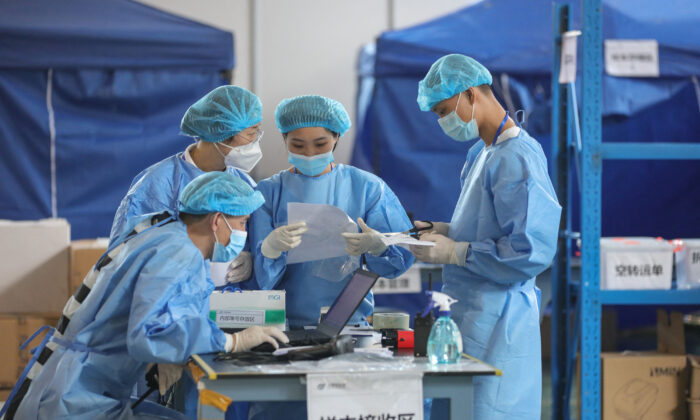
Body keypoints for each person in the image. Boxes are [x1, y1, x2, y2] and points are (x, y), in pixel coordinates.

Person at [1, 172, 288, 420]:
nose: (243, 232)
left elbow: (163, 307)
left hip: (82, 385)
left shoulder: (166, 233)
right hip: (75, 398)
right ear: (217, 221)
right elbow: (149, 332)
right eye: (242, 223)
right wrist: (235, 340)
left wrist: (171, 351)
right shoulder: (178, 253)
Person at [245, 95, 414, 420]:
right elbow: (257, 278)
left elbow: (400, 260)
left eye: (320, 144)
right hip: (280, 333)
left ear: (337, 137)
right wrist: (269, 249)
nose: (310, 153)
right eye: (298, 144)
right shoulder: (268, 193)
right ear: (284, 140)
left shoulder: (367, 188)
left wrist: (379, 247)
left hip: (349, 331)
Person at [411, 54, 561, 420]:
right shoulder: (482, 152)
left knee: (488, 410)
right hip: (470, 311)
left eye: (445, 109)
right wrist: (445, 233)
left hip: (500, 319)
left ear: (471, 94)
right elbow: (487, 225)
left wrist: (457, 252)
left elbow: (530, 251)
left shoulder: (518, 157)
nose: (443, 120)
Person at [110, 85, 264, 285]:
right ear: (225, 133)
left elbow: (257, 241)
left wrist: (251, 259)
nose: (256, 140)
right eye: (252, 133)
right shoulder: (156, 186)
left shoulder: (244, 185)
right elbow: (123, 256)